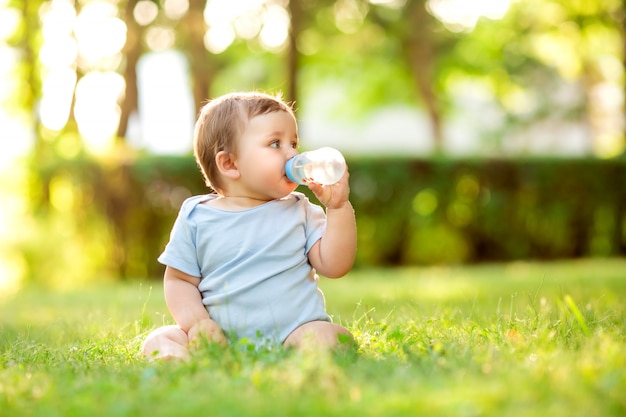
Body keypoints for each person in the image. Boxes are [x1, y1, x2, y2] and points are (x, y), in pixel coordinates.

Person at [142, 91, 357, 360]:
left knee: (330, 335)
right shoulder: (196, 216)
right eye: (276, 144)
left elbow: (335, 266)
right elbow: (179, 280)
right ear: (230, 163)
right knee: (160, 338)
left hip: (293, 334)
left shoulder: (300, 210)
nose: (292, 154)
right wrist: (198, 324)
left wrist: (338, 208)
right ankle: (175, 360)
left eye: (293, 142)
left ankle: (304, 359)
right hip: (220, 340)